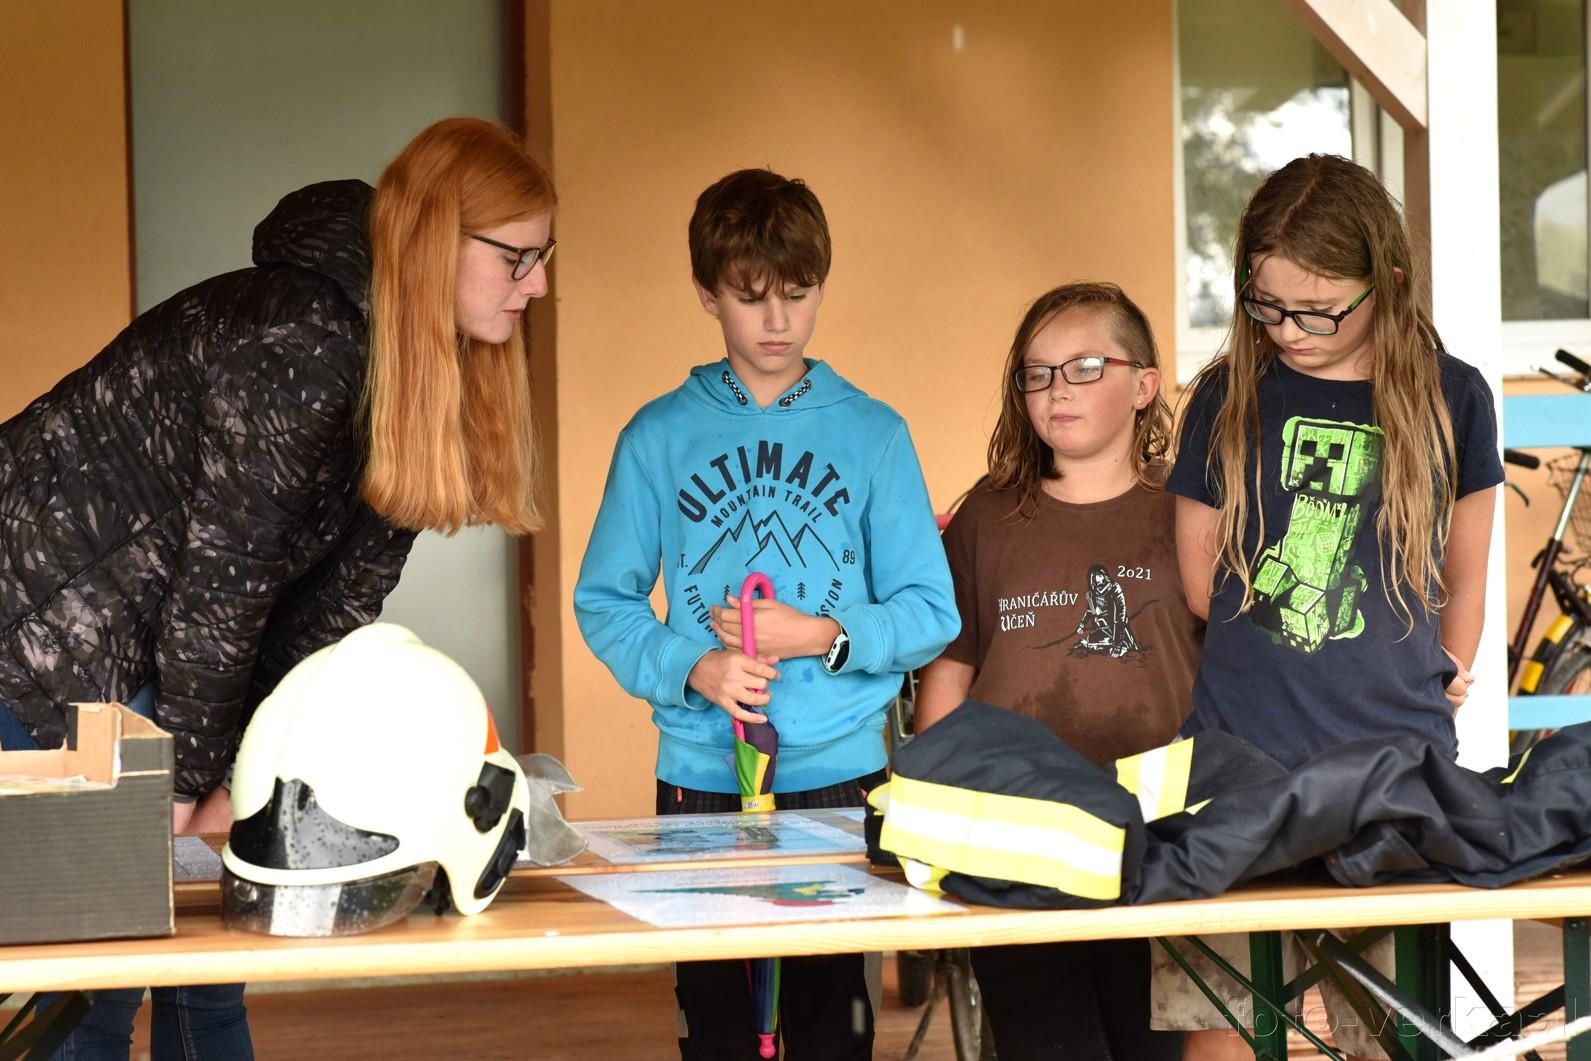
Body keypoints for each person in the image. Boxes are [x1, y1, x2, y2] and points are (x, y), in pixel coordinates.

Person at [0, 116, 555, 1060]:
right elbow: (226, 582)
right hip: (41, 632)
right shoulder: (302, 336)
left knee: (213, 965)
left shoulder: (422, 365)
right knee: (94, 977)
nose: (536, 285)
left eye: (544, 257)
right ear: (435, 240)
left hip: (162, 641)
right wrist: (187, 781)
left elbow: (338, 607)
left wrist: (239, 768)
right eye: (517, 258)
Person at [573, 167, 959, 1060]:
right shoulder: (656, 436)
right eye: (751, 297)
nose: (777, 320)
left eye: (798, 292)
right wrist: (693, 667)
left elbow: (930, 609)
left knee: (833, 1030)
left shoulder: (873, 433)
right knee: (718, 1028)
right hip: (699, 779)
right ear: (706, 292)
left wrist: (819, 635)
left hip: (841, 778)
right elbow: (605, 600)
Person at [1163, 153, 1503, 1061]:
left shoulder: (1454, 395)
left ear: (1386, 281)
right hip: (1236, 764)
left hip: (1395, 773)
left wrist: (1448, 662)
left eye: (1317, 309)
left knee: (1386, 1032)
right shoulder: (1224, 395)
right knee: (1223, 1026)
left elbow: (1465, 573)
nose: (1288, 330)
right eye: (1266, 306)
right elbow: (1197, 583)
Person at [913, 281, 1201, 1061]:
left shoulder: (1188, 506)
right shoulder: (986, 515)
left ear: (1143, 385)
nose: (1056, 389)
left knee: (1150, 1049)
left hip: (1157, 840)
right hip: (1016, 839)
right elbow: (950, 676)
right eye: (1036, 373)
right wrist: (933, 806)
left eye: (1083, 367)